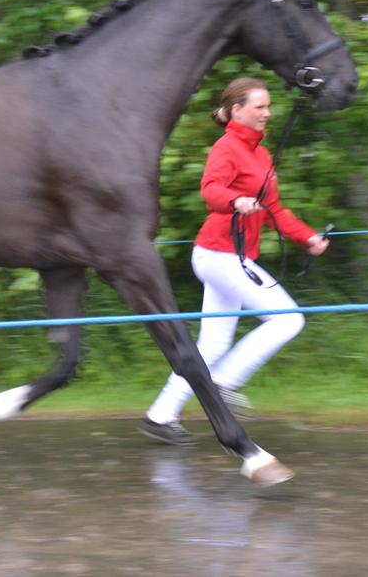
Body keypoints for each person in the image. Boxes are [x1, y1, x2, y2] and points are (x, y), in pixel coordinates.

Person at [140, 77, 329, 446]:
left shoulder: (261, 154)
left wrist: (307, 237)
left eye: (268, 106)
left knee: (211, 346)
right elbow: (211, 189)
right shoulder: (226, 147)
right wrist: (235, 201)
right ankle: (224, 382)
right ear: (237, 110)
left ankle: (159, 416)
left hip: (233, 257)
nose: (267, 113)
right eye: (260, 106)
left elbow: (274, 210)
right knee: (289, 319)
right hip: (217, 254)